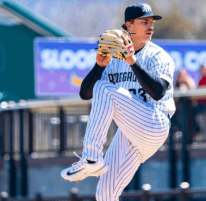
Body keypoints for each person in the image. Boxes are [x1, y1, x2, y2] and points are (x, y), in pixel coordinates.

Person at [61, 3, 175, 201]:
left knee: (105, 88)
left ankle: (92, 157)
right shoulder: (114, 59)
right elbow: (85, 94)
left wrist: (132, 61)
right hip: (129, 132)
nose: (150, 26)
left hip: (155, 123)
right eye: (144, 22)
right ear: (129, 26)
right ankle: (93, 159)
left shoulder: (158, 55)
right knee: (105, 194)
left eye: (151, 22)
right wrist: (98, 66)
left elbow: (158, 92)